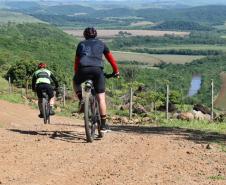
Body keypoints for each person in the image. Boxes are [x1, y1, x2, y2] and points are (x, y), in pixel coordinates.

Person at [73, 27, 119, 132]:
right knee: (101, 98)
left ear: (85, 35)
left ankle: (81, 99)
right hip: (97, 71)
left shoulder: (81, 44)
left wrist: (77, 73)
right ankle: (103, 125)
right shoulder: (102, 44)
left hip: (82, 69)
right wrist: (116, 71)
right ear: (96, 35)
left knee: (75, 82)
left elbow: (77, 61)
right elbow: (111, 59)